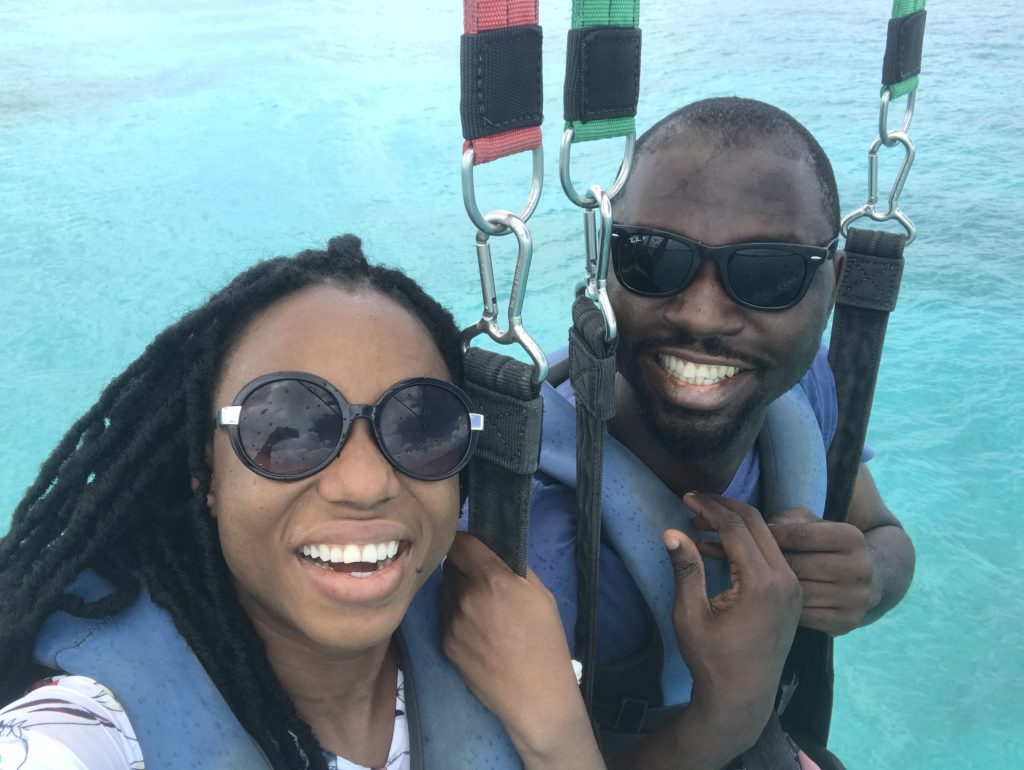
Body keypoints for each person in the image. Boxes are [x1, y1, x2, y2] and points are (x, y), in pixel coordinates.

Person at [0, 235, 602, 770]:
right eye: (285, 427)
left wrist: (563, 734)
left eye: (420, 426)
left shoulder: (514, 666)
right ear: (204, 473)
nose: (366, 484)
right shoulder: (87, 734)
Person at [444, 97, 916, 769]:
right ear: (604, 265)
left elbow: (880, 530)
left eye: (769, 274)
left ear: (833, 283)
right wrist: (726, 718)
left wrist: (870, 579)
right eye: (652, 258)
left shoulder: (802, 386)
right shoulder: (530, 542)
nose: (702, 314)